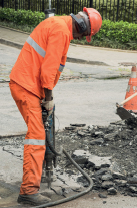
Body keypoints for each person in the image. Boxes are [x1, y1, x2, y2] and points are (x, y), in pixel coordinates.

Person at [9, 7, 102, 206]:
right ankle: (28, 191)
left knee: (39, 134)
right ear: (82, 26)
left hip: (29, 85)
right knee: (36, 137)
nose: (79, 38)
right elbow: (48, 69)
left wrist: (45, 96)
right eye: (83, 35)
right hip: (27, 86)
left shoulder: (61, 26)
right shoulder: (61, 31)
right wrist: (48, 97)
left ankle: (35, 180)